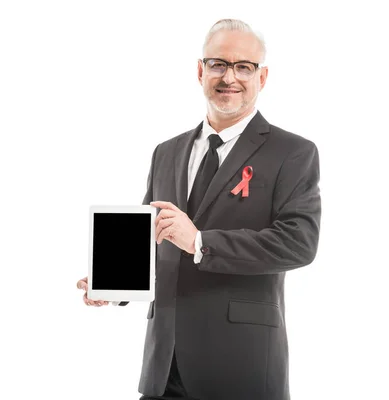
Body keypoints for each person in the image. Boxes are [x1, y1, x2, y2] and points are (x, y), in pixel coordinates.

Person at [76, 19, 321, 400]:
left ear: (263, 77)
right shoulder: (167, 152)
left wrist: (201, 242)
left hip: (241, 365)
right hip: (164, 367)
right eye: (218, 64)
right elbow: (153, 238)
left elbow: (298, 244)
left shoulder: (293, 153)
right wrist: (115, 285)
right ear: (200, 70)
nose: (229, 77)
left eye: (244, 67)